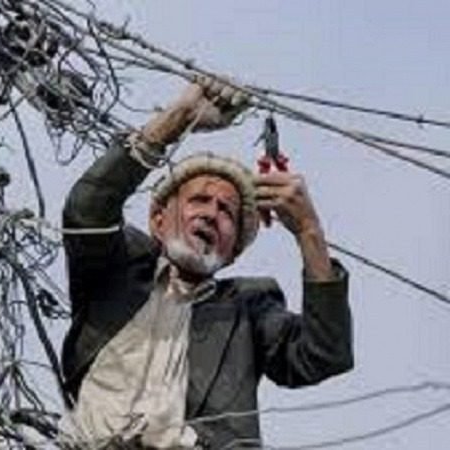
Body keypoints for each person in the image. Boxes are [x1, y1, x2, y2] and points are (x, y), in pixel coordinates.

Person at [58, 76, 354, 449]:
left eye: (227, 212)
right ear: (158, 220)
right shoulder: (118, 267)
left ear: (233, 252)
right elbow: (86, 210)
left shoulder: (246, 309)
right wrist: (178, 117)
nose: (211, 214)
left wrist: (309, 232)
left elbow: (323, 354)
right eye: (198, 200)